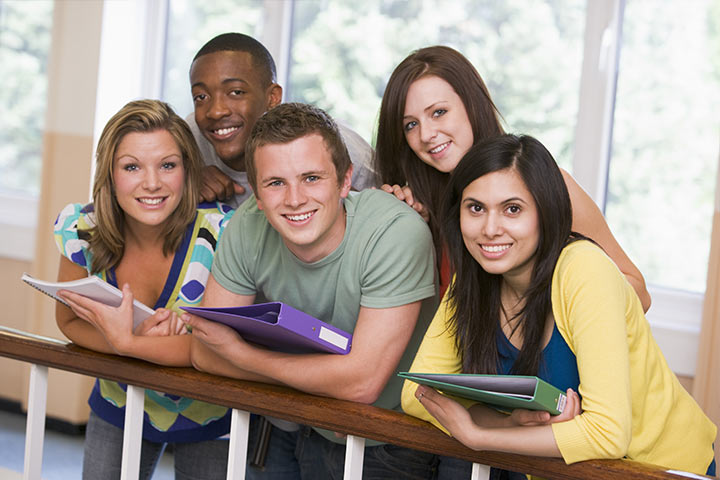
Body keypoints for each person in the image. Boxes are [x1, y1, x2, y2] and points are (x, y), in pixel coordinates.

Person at [401, 134, 717, 476]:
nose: (490, 229)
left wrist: (481, 434)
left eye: (512, 209)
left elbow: (607, 434)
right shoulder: (473, 280)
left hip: (660, 469)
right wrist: (511, 424)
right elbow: (416, 394)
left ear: (546, 212)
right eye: (475, 208)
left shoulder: (585, 269)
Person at [184, 102, 439, 479]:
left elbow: (362, 384)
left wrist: (241, 354)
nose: (294, 199)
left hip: (389, 437)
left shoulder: (396, 232)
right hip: (299, 421)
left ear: (346, 180)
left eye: (311, 178)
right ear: (255, 190)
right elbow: (205, 352)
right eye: (275, 183)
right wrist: (326, 384)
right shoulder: (247, 224)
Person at [374, 45, 651, 312]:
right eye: (411, 125)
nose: (425, 134)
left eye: (439, 112)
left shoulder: (548, 186)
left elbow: (638, 293)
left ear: (472, 105)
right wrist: (404, 226)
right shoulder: (428, 206)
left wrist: (549, 315)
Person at [54, 99, 235, 479]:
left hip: (213, 413)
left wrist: (131, 344)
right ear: (110, 172)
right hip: (118, 403)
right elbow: (69, 320)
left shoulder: (223, 235)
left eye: (167, 165)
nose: (151, 183)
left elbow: (216, 348)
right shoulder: (81, 230)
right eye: (132, 166)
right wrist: (130, 337)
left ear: (188, 170)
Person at [188, 32, 377, 208]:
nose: (216, 112)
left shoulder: (335, 142)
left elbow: (390, 210)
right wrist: (187, 182)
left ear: (272, 98)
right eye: (201, 97)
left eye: (236, 92)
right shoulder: (188, 139)